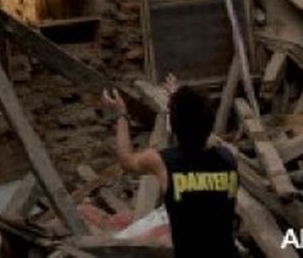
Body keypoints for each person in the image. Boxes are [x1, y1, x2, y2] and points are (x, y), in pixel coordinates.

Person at [102, 82, 238, 258]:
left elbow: (126, 161)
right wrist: (178, 100)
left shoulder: (163, 162)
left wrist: (121, 114)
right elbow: (201, 133)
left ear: (174, 125)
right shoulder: (229, 158)